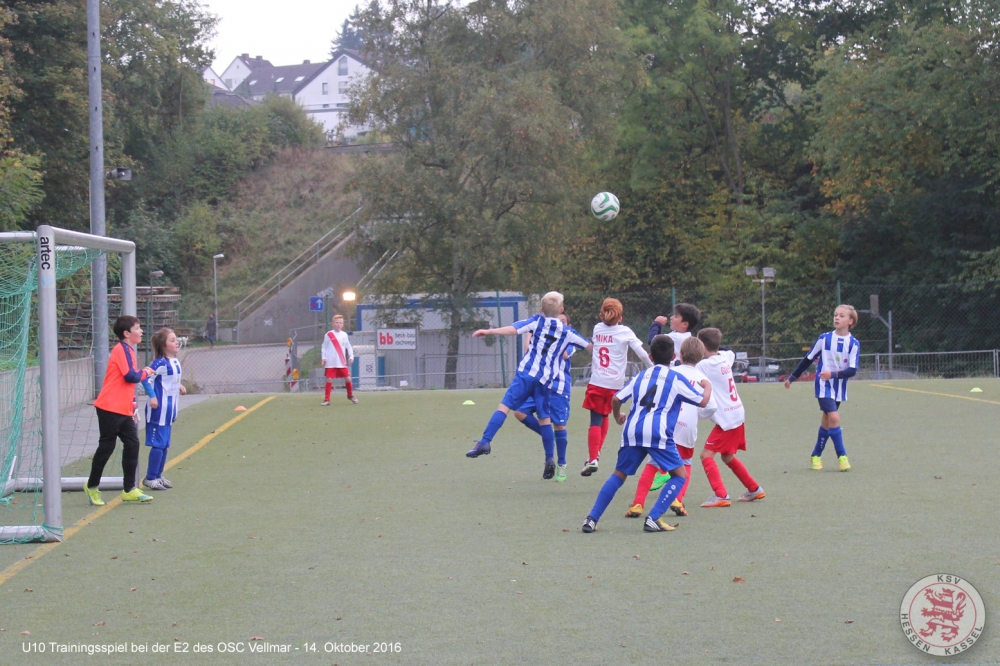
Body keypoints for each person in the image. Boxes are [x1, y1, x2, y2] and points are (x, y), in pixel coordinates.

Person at [581, 335, 713, 533]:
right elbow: (702, 401)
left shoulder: (640, 376)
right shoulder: (676, 378)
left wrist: (617, 416)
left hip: (632, 431)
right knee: (680, 475)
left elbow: (616, 399)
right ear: (674, 356)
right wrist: (708, 386)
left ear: (650, 356)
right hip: (658, 433)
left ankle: (591, 519)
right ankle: (653, 517)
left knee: (619, 475)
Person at [466, 291, 591, 469]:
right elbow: (590, 347)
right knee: (544, 418)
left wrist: (489, 331)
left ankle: (485, 441)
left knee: (505, 407)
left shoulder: (537, 321)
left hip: (527, 374)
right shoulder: (568, 332)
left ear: (542, 309)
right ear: (561, 309)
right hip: (546, 380)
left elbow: (513, 329)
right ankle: (549, 458)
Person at [627, 337, 717, 518]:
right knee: (685, 464)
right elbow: (711, 406)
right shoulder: (702, 378)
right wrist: (697, 414)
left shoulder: (671, 373)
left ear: (680, 355)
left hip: (666, 426)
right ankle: (677, 499)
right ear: (701, 357)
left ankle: (638, 503)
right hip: (687, 430)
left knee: (652, 464)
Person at [83, 315, 156, 505]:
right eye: (137, 328)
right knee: (107, 446)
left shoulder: (129, 350)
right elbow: (131, 376)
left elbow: (128, 382)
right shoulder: (121, 349)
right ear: (127, 333)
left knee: (132, 443)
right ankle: (92, 486)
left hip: (123, 409)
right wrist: (147, 371)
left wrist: (132, 403)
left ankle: (129, 489)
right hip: (109, 407)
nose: (141, 331)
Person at [580, 298, 652, 476]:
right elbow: (642, 354)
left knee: (596, 419)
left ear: (601, 314)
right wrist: (653, 367)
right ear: (620, 317)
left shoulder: (597, 328)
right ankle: (595, 455)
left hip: (597, 382)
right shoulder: (625, 331)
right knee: (605, 415)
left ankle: (593, 458)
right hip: (616, 385)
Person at [695, 327, 765, 507]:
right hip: (737, 414)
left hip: (726, 420)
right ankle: (754, 488)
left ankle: (721, 495)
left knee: (706, 455)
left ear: (702, 345)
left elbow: (689, 370)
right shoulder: (726, 357)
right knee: (726, 456)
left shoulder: (704, 365)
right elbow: (729, 351)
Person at [784, 304, 860, 471]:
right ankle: (842, 457)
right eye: (835, 315)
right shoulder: (824, 338)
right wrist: (793, 377)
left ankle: (816, 455)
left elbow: (852, 370)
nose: (837, 317)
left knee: (827, 421)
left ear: (850, 321)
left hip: (838, 387)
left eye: (841, 315)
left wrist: (833, 374)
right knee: (834, 418)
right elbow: (808, 359)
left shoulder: (854, 343)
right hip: (823, 385)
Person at [513, 313, 576, 481]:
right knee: (519, 411)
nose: (558, 324)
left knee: (559, 425)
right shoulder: (542, 337)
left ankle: (561, 464)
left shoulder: (570, 340)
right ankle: (548, 436)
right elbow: (527, 351)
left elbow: (564, 354)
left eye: (563, 321)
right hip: (540, 386)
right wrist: (531, 333)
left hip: (558, 388)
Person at [141, 328, 186, 490]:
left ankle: (158, 475)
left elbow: (169, 380)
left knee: (165, 444)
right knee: (159, 444)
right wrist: (152, 396)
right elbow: (145, 378)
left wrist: (179, 385)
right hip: (158, 410)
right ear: (163, 345)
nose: (177, 342)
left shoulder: (174, 361)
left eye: (176, 339)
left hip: (169, 410)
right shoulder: (160, 362)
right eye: (172, 340)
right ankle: (150, 477)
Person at [321, 314, 357, 405]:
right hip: (331, 362)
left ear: (343, 324)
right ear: (333, 324)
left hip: (341, 362)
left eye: (340, 323)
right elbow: (324, 347)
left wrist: (351, 356)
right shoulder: (328, 335)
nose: (338, 324)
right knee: (329, 379)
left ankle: (350, 395)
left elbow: (348, 346)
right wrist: (323, 358)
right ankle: (327, 399)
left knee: (348, 379)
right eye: (336, 322)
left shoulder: (344, 335)